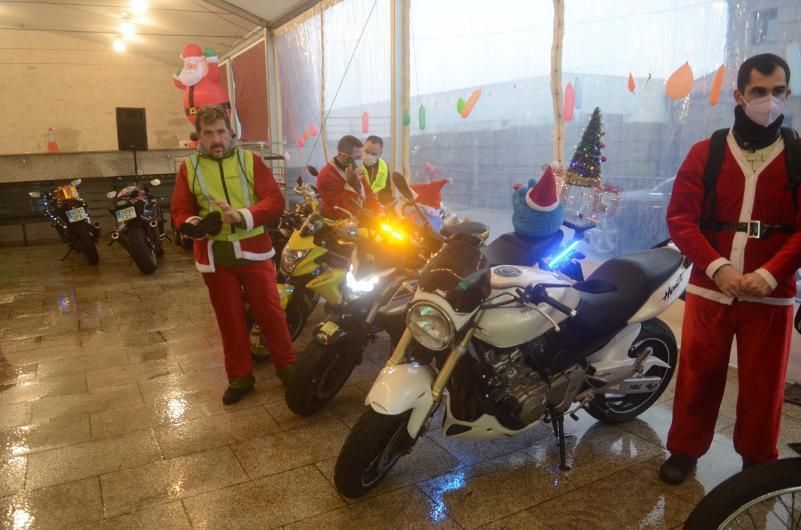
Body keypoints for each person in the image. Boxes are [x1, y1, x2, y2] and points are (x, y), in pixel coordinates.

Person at [661, 53, 800, 484]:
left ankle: (757, 463)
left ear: (788, 94)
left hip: (770, 295)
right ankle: (684, 451)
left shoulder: (798, 154)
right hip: (710, 289)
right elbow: (680, 219)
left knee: (764, 385)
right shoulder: (707, 152)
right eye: (759, 91)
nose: (769, 100)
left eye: (778, 91)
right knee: (697, 378)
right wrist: (717, 266)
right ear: (739, 95)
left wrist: (772, 273)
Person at [171, 105, 296, 405]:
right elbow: (180, 209)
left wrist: (240, 215)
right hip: (215, 256)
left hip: (254, 253)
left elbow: (275, 201)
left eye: (221, 132)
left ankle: (288, 368)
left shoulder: (250, 160)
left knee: (271, 315)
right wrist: (193, 225)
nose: (216, 139)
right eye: (208, 133)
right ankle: (240, 377)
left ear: (231, 133)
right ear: (198, 137)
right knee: (230, 319)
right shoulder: (189, 168)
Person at [317, 135, 380, 219]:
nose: (360, 161)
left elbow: (368, 192)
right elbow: (338, 209)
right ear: (343, 156)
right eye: (356, 158)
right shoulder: (326, 176)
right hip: (341, 225)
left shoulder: (353, 169)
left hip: (363, 218)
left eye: (361, 157)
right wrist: (350, 185)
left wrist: (378, 212)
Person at [362, 135, 393, 204]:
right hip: (358, 208)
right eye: (366, 151)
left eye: (373, 154)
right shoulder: (354, 164)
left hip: (377, 208)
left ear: (380, 153)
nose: (369, 156)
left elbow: (387, 191)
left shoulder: (384, 166)